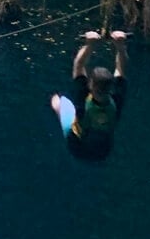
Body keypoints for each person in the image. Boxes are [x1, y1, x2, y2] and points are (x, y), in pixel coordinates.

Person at [49, 29, 129, 162]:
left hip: (77, 146)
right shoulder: (116, 99)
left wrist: (89, 45)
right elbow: (121, 69)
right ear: (110, 88)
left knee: (56, 99)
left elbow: (78, 65)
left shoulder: (83, 98)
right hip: (104, 150)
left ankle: (58, 108)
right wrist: (120, 47)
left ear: (90, 85)